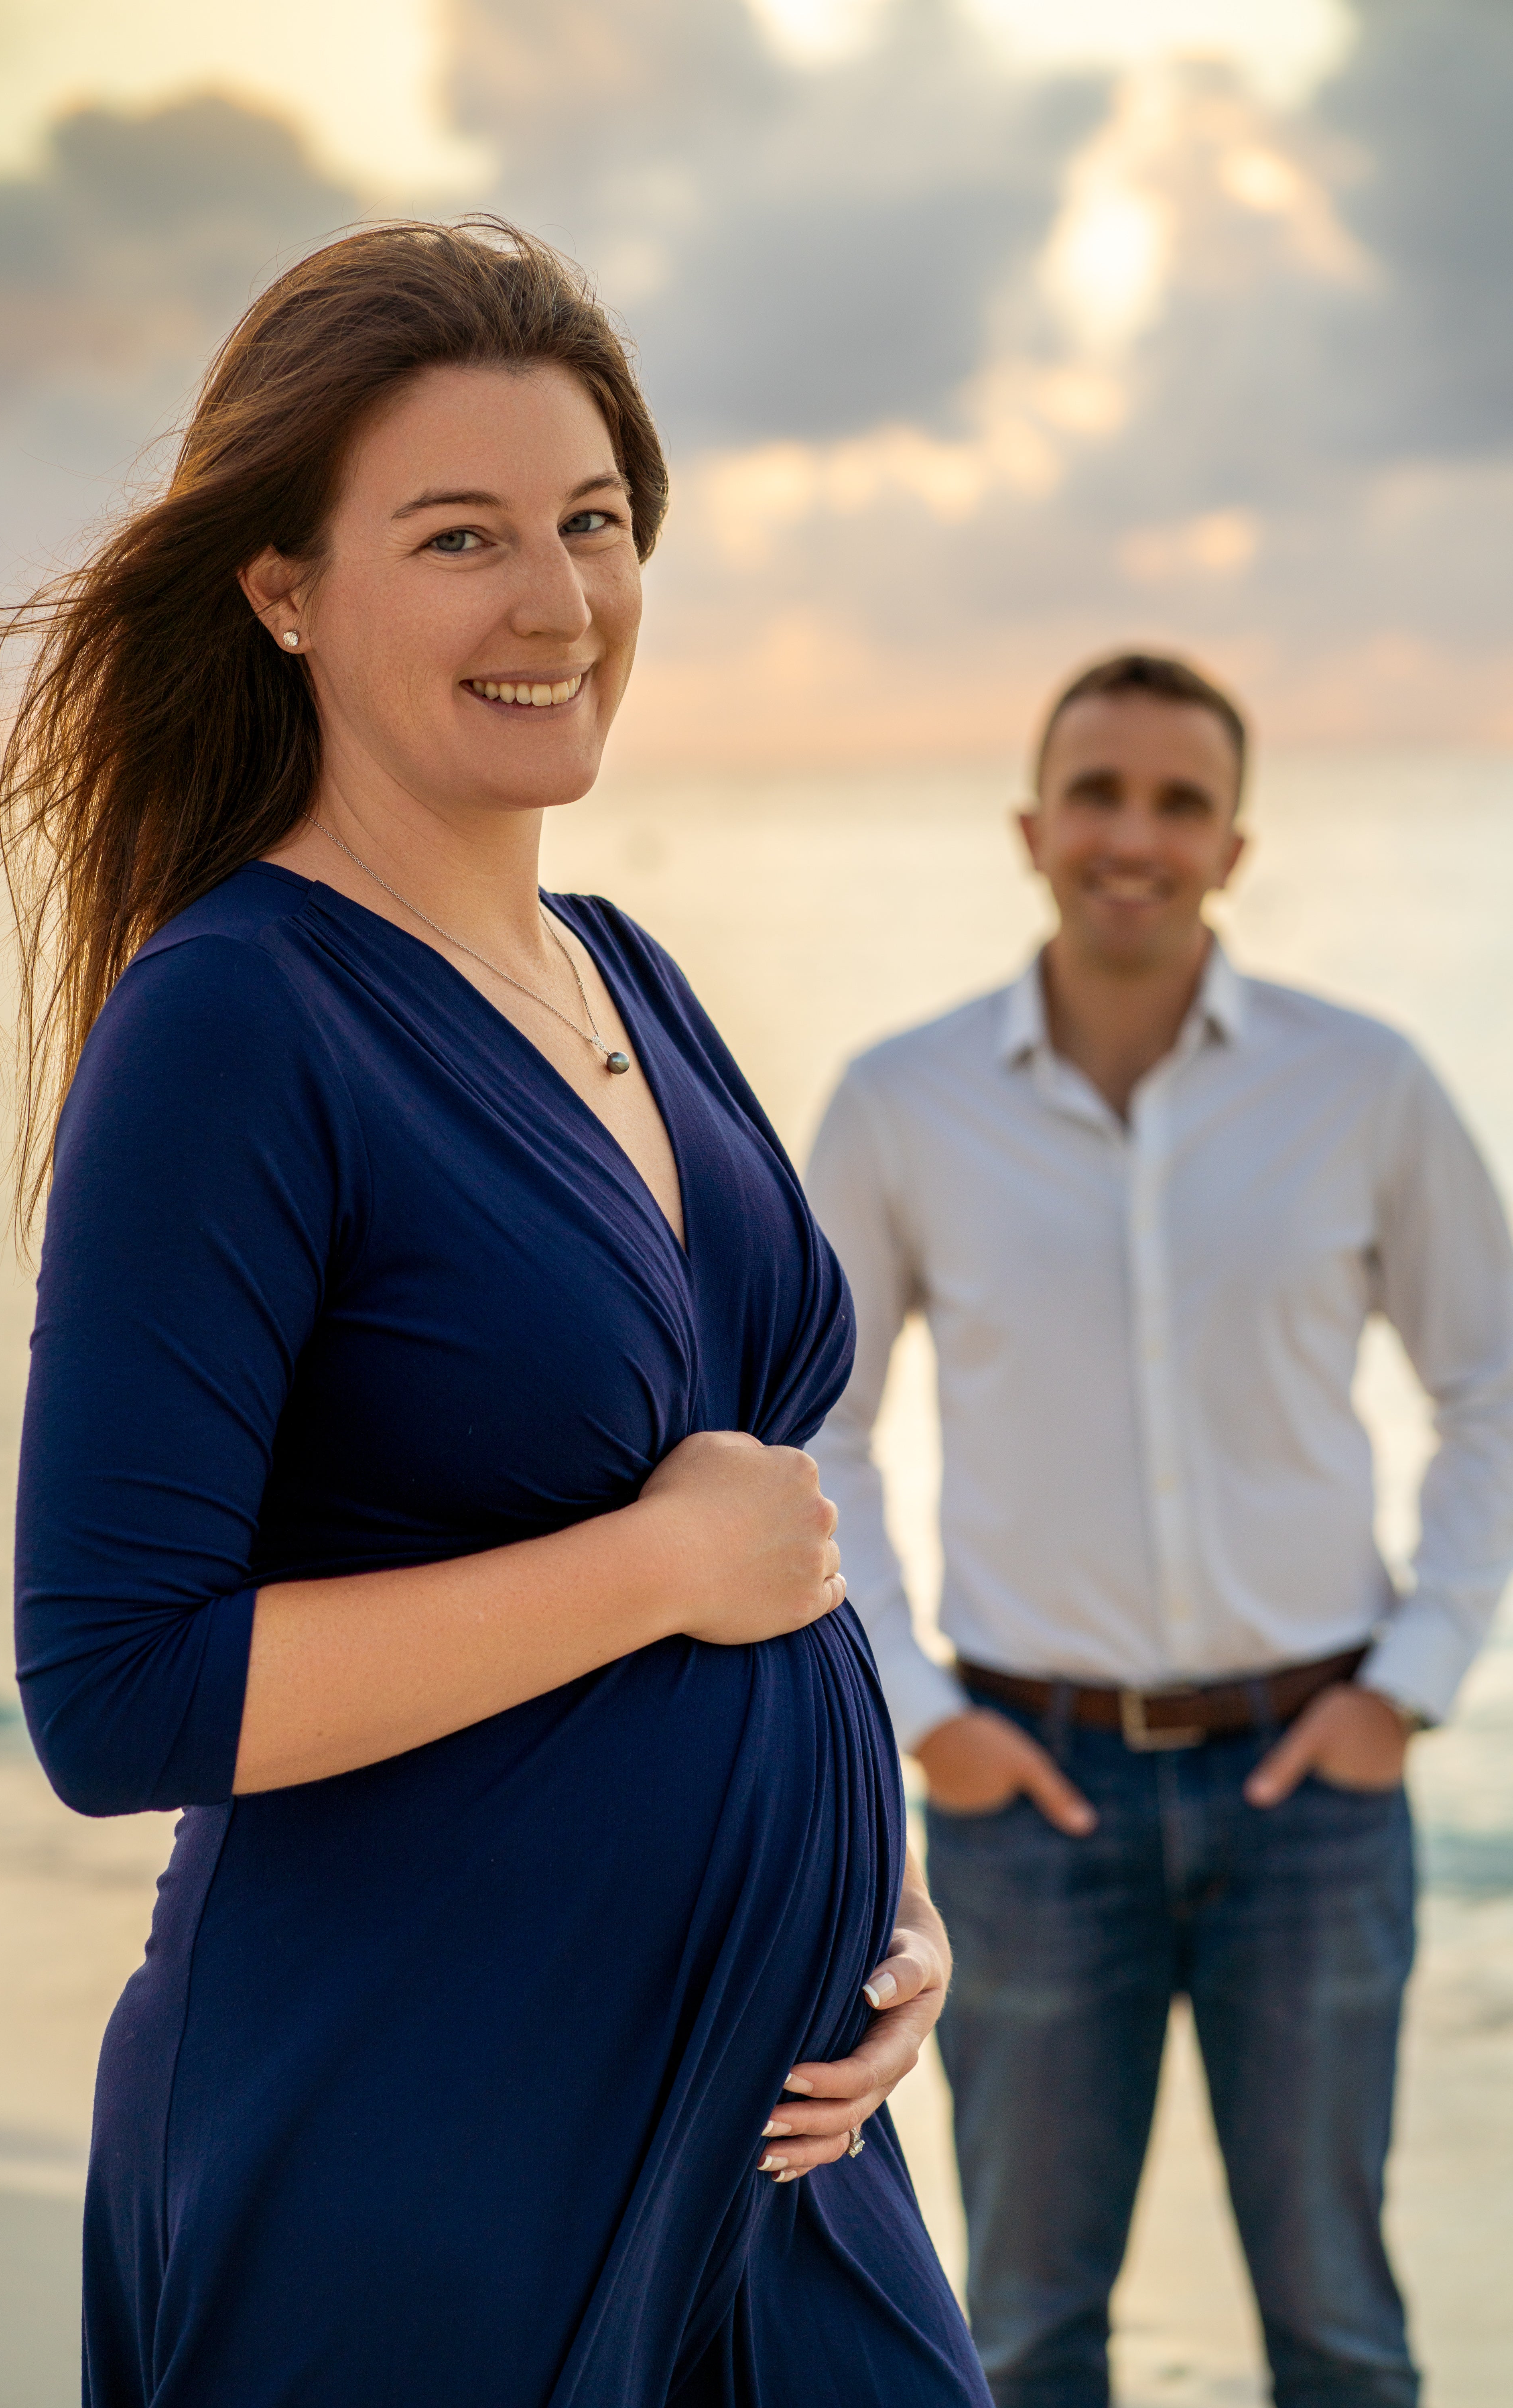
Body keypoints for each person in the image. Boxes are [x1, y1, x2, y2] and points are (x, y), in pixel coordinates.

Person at [0, 222, 990, 2405]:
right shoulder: (234, 1021)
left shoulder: (631, 970)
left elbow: (767, 1552)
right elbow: (117, 1689)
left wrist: (881, 1902)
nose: (559, 604)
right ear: (281, 590)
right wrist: (655, 1572)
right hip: (417, 2140)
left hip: (775, 2136)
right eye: (461, 538)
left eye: (595, 524)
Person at [806, 651, 1513, 2408]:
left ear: (1234, 844)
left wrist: (1409, 1684)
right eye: (1099, 794)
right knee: (1027, 2327)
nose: (1135, 834)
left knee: (1339, 2326)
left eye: (1178, 801)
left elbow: (1491, 1387)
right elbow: (808, 1425)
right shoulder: (902, 1104)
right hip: (1026, 1799)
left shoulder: (1364, 1089)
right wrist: (922, 1716)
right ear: (1030, 827)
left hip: (1314, 1794)